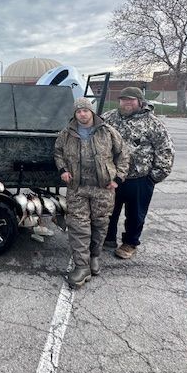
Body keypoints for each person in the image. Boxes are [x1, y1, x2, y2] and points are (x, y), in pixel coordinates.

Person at [54, 97, 129, 288]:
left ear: (92, 112)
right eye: (79, 111)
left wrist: (118, 178)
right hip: (77, 188)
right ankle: (81, 266)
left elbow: (123, 154)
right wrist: (63, 170)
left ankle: (95, 256)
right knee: (78, 226)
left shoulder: (107, 131)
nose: (82, 114)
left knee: (100, 224)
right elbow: (58, 153)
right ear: (75, 113)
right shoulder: (67, 133)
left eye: (85, 110)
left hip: (102, 188)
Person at [103, 86, 175, 259]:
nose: (127, 103)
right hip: (113, 177)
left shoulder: (152, 122)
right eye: (123, 99)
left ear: (139, 102)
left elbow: (165, 150)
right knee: (108, 210)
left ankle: (130, 243)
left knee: (135, 214)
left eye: (131, 100)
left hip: (140, 179)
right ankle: (108, 238)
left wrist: (153, 177)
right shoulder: (109, 118)